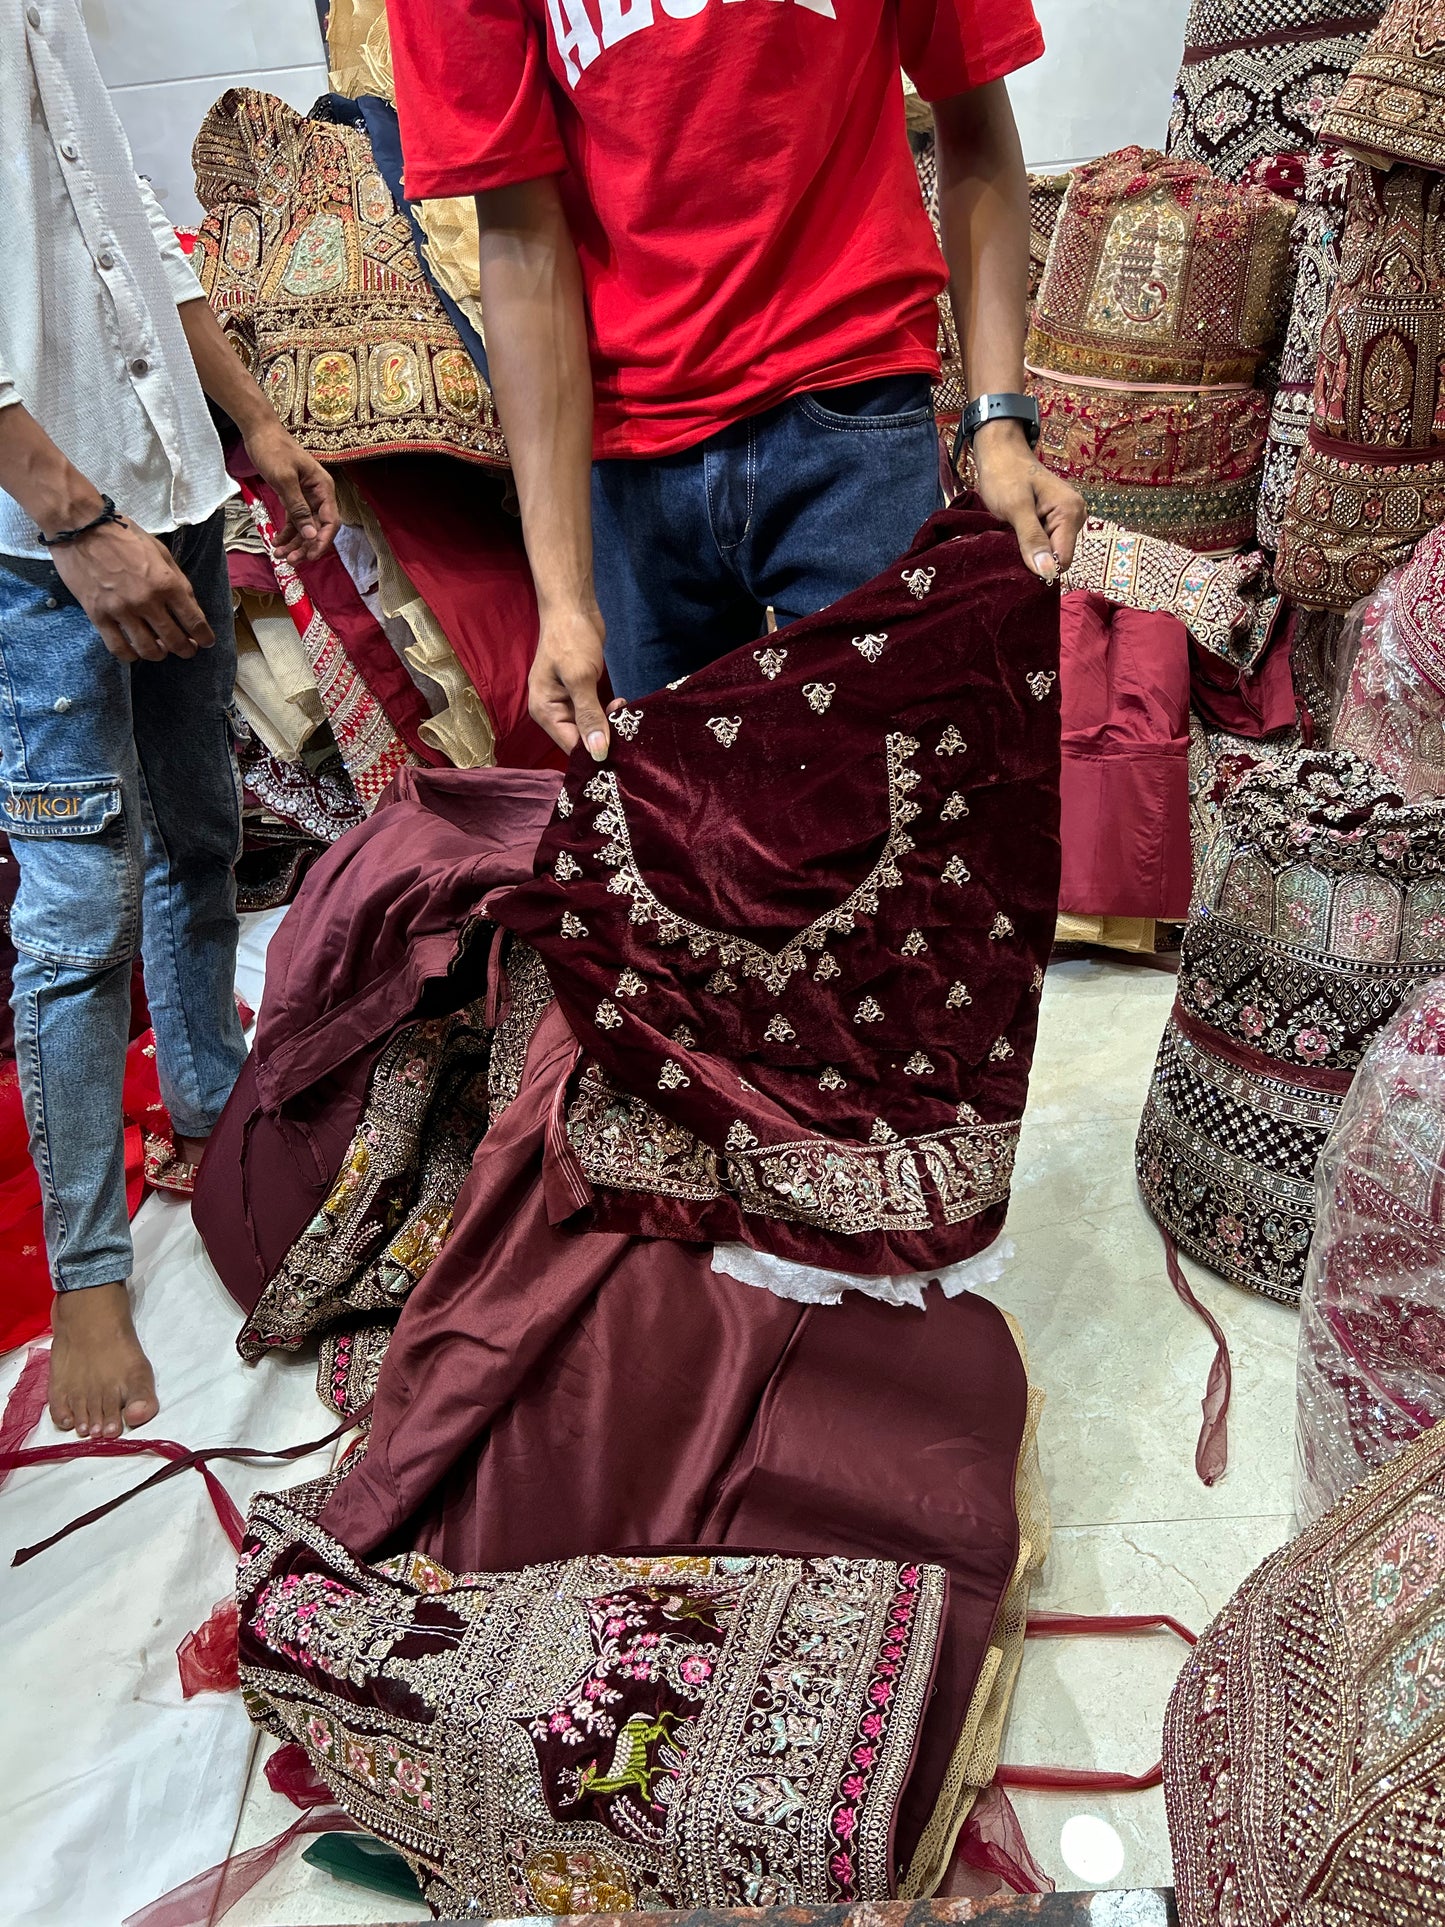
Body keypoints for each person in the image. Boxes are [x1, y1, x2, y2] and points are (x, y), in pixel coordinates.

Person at [388, 0, 1084, 760]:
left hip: (852, 410)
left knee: (897, 814)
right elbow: (519, 233)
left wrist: (999, 425)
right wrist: (560, 595)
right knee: (684, 842)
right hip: (633, 465)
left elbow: (973, 112)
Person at [0, 0, 340, 1441]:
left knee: (199, 819)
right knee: (78, 903)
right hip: (41, 536)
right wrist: (75, 521)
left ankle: (213, 1103)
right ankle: (89, 1276)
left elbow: (124, 213)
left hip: (173, 483)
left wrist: (246, 422)